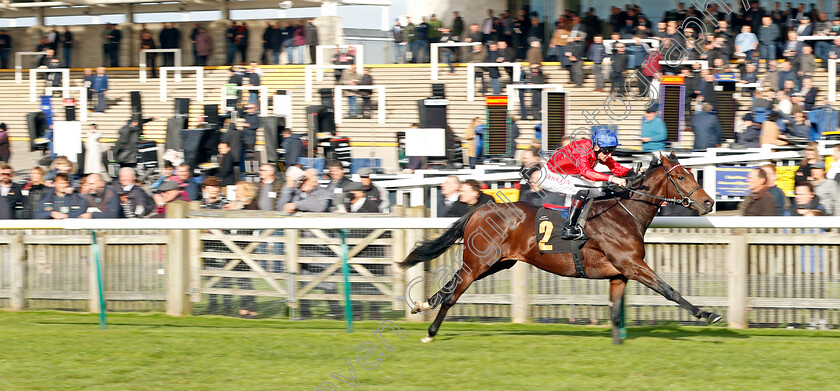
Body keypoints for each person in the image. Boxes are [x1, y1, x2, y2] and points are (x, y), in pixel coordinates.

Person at [540, 128, 633, 239]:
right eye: (607, 151)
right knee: (584, 189)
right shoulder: (582, 149)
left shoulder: (600, 151)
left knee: (599, 193)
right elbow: (585, 172)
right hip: (550, 175)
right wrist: (612, 179)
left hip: (568, 174)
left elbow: (616, 168)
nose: (609, 155)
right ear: (597, 147)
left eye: (612, 150)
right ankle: (569, 228)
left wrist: (632, 172)